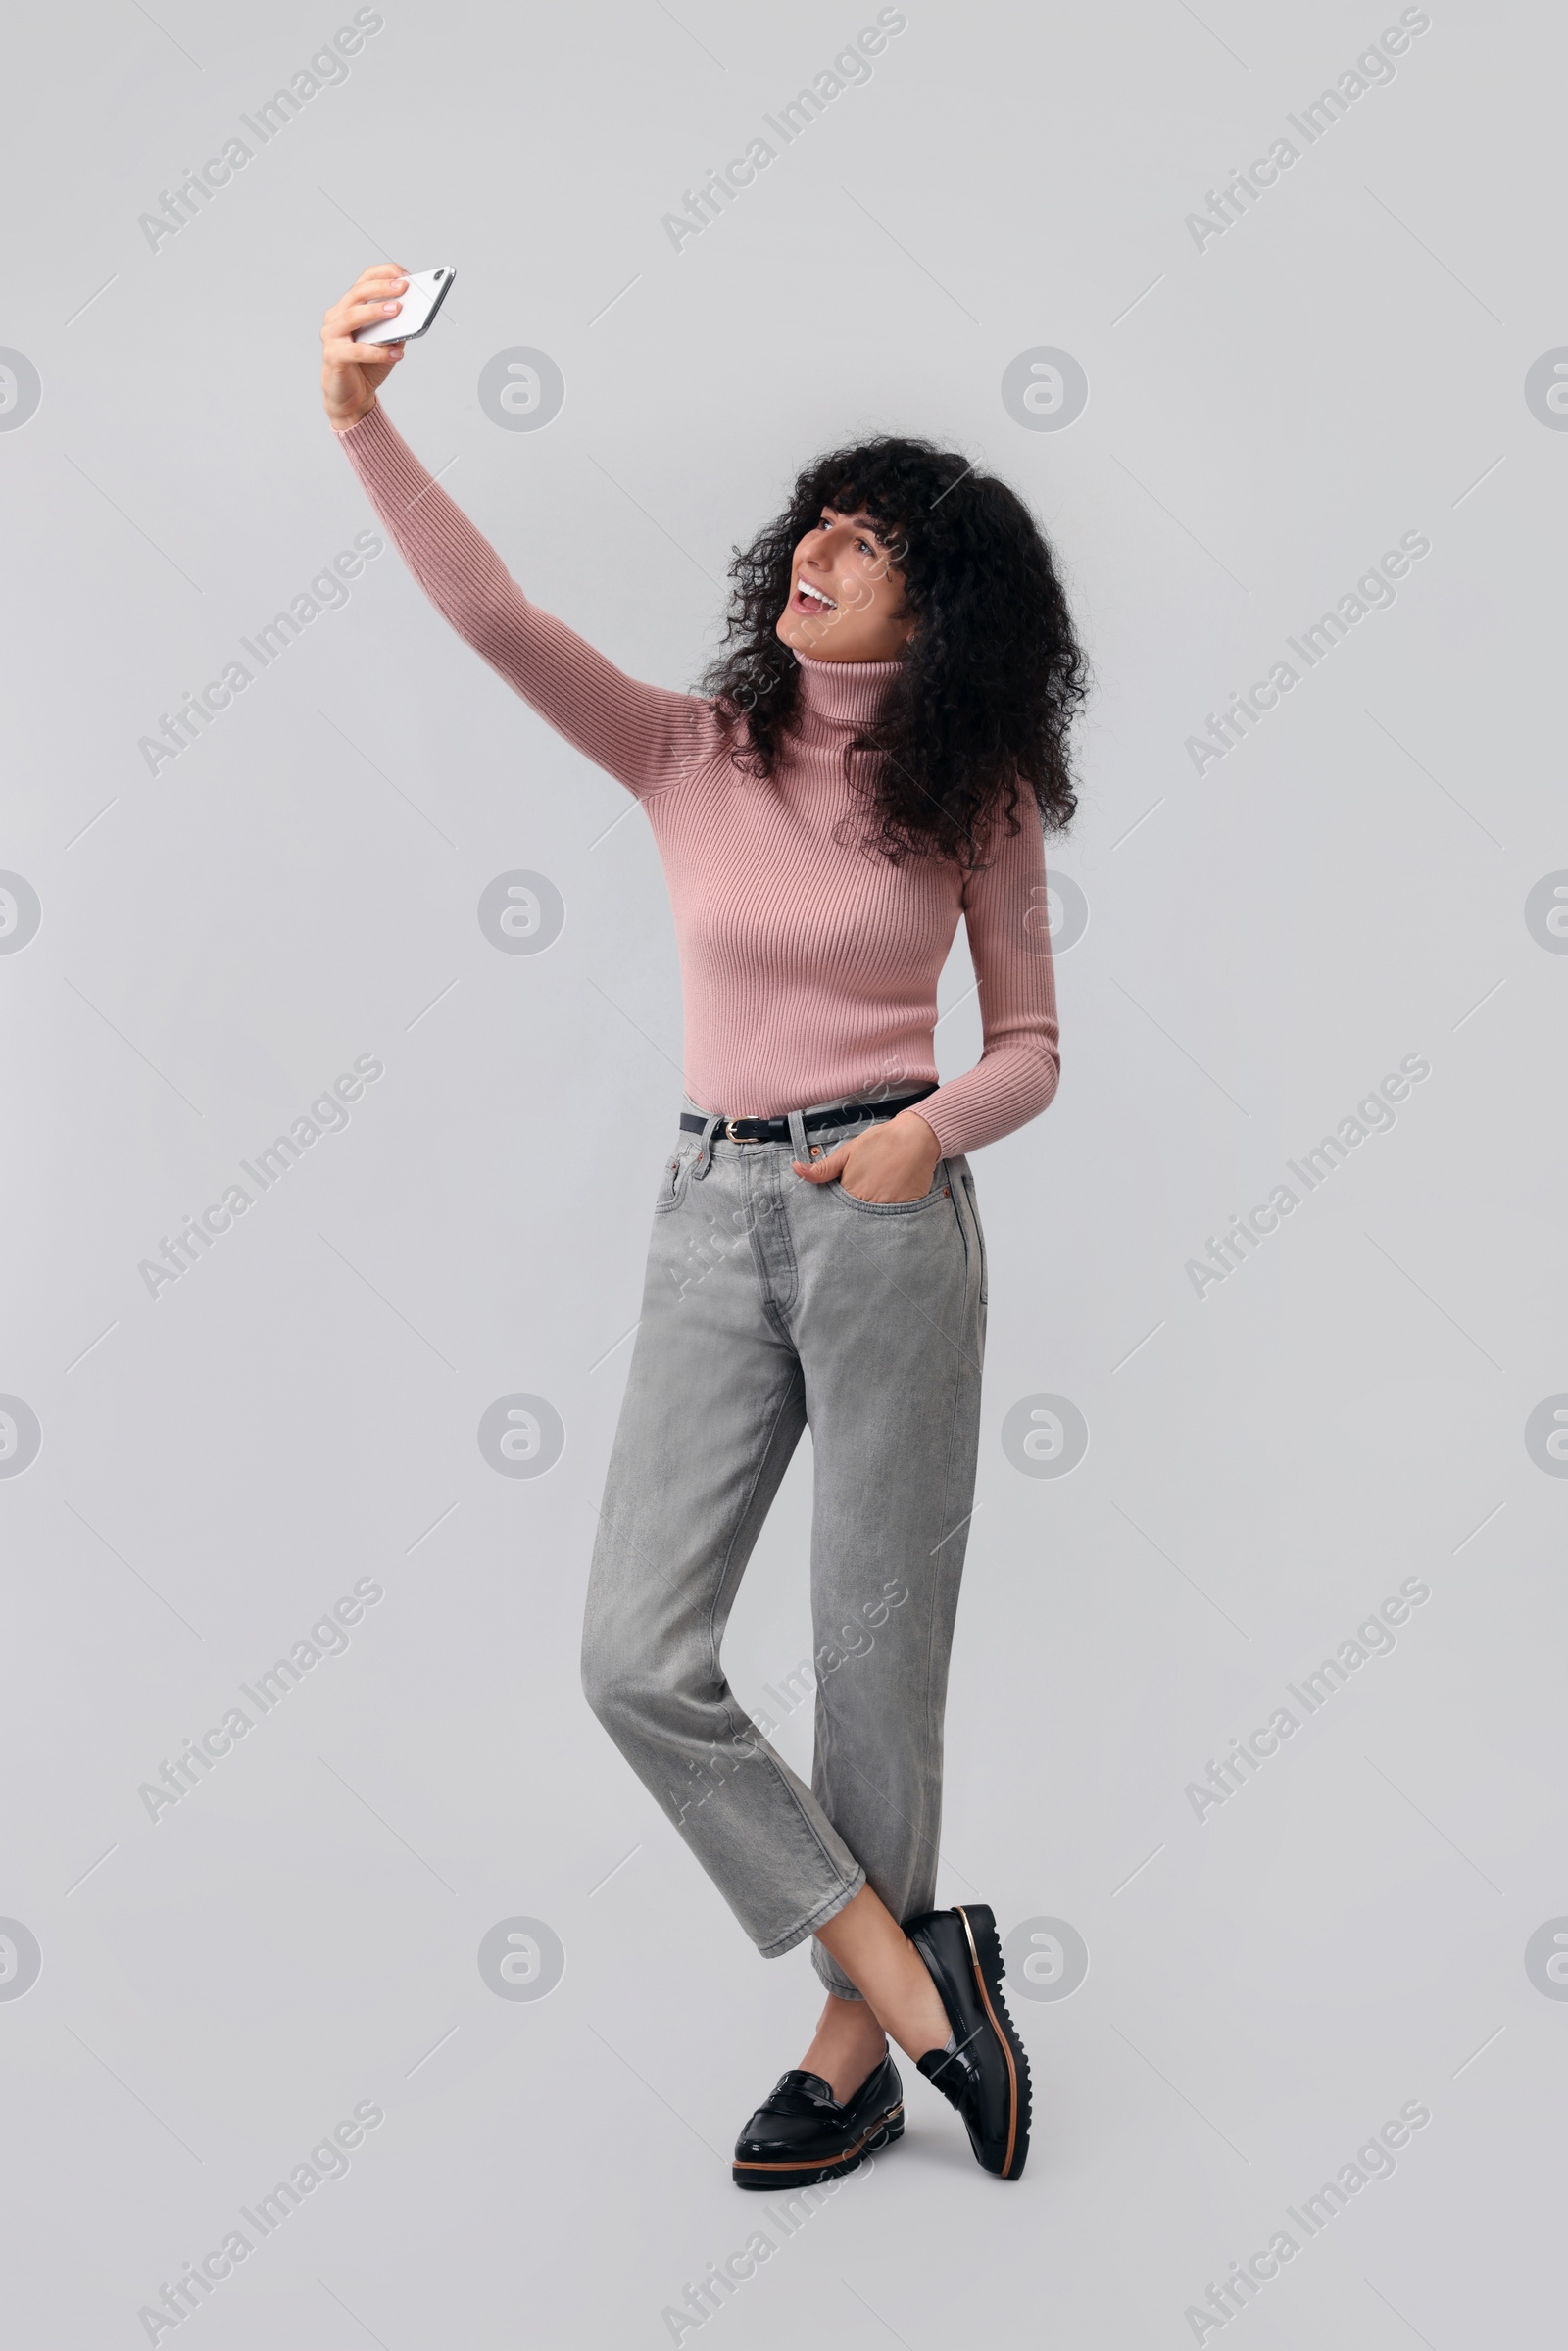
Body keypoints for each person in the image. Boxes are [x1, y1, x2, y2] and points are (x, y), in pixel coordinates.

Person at [321, 264, 1088, 2189]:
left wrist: (931, 1131)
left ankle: (847, 2052)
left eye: (875, 534)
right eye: (817, 511)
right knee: (632, 1656)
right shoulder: (692, 752)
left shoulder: (970, 794)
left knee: (874, 1655)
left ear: (944, 602)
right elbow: (494, 615)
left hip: (890, 1217)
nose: (821, 538)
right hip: (705, 1214)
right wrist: (358, 418)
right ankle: (920, 1988)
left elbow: (1032, 1048)